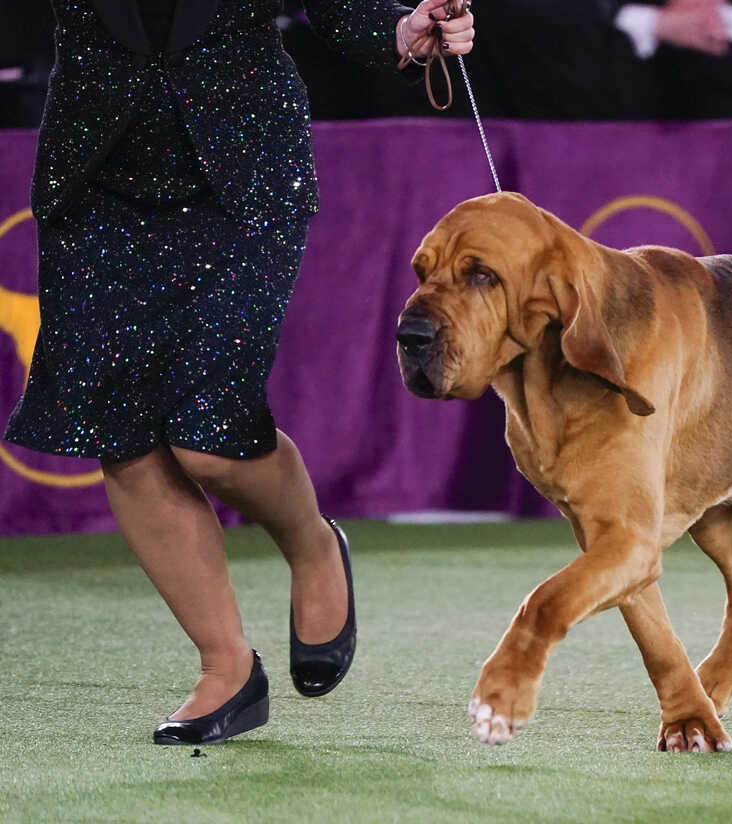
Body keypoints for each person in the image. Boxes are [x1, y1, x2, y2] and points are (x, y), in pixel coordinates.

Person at [3, 0, 474, 745]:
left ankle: (311, 543)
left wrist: (397, 33)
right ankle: (226, 667)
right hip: (95, 177)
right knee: (122, 436)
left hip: (242, 173)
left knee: (210, 442)